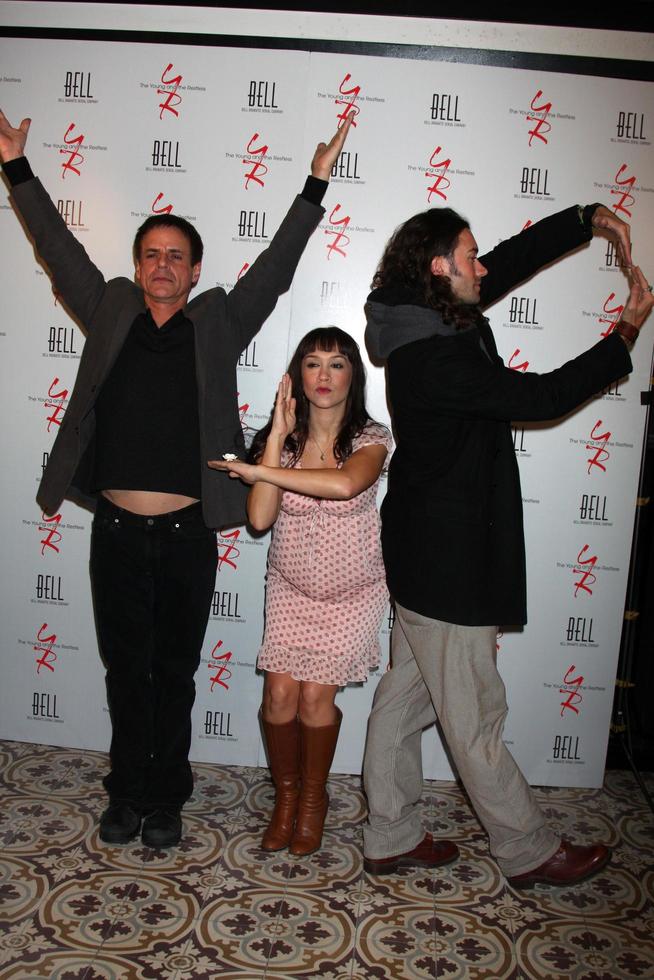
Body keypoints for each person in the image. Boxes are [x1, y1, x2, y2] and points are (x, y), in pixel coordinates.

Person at [0, 107, 353, 849]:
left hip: (190, 532)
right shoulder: (109, 311)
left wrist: (314, 185)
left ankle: (167, 797)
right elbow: (58, 250)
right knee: (127, 672)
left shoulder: (218, 322)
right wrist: (17, 170)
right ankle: (126, 792)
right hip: (119, 530)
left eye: (176, 256)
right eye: (151, 254)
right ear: (138, 267)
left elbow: (277, 271)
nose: (162, 265)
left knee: (176, 673)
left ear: (195, 271)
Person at [361, 201, 653, 886]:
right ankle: (526, 849)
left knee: (406, 699)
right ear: (439, 267)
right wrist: (625, 334)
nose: (482, 266)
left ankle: (390, 833)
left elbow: (511, 259)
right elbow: (546, 394)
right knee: (474, 714)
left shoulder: (426, 309)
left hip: (426, 549)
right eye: (470, 255)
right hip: (445, 560)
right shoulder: (432, 355)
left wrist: (585, 220)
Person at [210, 326, 391, 855]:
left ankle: (312, 800)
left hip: (351, 595)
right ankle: (285, 799)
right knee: (279, 695)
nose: (325, 376)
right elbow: (261, 519)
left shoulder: (370, 437)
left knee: (314, 698)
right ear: (297, 376)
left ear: (352, 375)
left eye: (337, 364)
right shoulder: (283, 444)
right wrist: (274, 438)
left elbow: (345, 484)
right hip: (290, 588)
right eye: (313, 363)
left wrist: (256, 470)